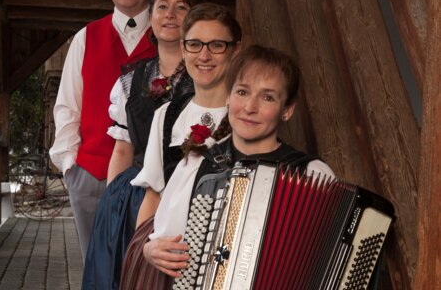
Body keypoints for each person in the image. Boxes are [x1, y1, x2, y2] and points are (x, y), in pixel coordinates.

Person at [142, 45, 336, 284]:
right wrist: (151, 252)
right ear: (228, 96)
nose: (250, 108)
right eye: (242, 92)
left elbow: (332, 262)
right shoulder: (196, 166)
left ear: (287, 110)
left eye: (267, 97)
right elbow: (164, 245)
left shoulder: (312, 175)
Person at [82, 0, 207, 290]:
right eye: (162, 6)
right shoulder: (129, 80)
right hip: (132, 198)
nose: (170, 14)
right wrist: (112, 203)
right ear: (150, 15)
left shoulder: (207, 79)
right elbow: (122, 149)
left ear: (195, 18)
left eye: (182, 7)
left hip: (190, 195)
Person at [48, 0, 167, 260]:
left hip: (156, 182)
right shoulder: (86, 38)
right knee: (97, 271)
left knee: (149, 274)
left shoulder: (170, 37)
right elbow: (67, 108)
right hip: (92, 177)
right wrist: (72, 169)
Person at [120, 3, 243, 289]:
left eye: (216, 45)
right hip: (171, 266)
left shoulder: (247, 116)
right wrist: (146, 248)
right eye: (195, 44)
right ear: (184, 49)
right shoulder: (166, 116)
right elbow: (153, 195)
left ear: (236, 49)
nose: (204, 55)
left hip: (229, 264)